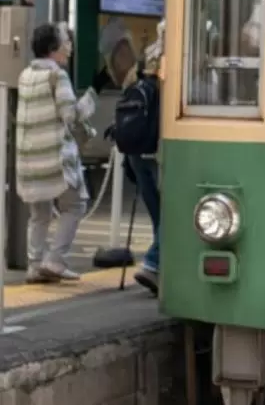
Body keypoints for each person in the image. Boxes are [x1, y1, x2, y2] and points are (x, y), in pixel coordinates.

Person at [15, 22, 110, 283]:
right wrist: (94, 91)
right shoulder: (57, 75)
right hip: (55, 158)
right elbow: (71, 115)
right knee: (76, 204)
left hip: (29, 157)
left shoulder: (25, 75)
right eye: (66, 43)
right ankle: (55, 260)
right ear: (54, 49)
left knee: (39, 214)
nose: (70, 48)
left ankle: (35, 264)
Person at [107, 27, 162, 296]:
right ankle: (153, 264)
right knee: (173, 215)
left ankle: (160, 267)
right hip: (157, 152)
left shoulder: (135, 78)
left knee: (158, 215)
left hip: (135, 152)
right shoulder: (170, 70)